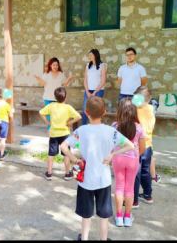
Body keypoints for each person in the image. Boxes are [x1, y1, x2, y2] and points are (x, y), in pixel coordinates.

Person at [59, 96, 134, 241]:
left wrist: (74, 159)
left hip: (86, 179)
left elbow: (63, 146)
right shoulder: (110, 131)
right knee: (104, 215)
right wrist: (113, 154)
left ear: (86, 113)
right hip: (103, 180)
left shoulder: (81, 130)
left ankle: (84, 238)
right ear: (104, 112)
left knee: (86, 214)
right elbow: (130, 145)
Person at [111, 99, 146, 227]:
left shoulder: (115, 126)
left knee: (119, 187)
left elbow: (111, 143)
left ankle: (119, 216)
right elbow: (143, 147)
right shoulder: (139, 128)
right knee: (129, 189)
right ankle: (127, 217)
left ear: (120, 111)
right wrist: (136, 155)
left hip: (118, 159)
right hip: (133, 160)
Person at [39, 87, 82, 180]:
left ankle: (49, 173)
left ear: (55, 97)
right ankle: (67, 174)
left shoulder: (51, 105)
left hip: (54, 134)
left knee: (51, 154)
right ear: (65, 97)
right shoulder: (68, 107)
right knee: (66, 154)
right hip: (65, 134)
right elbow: (79, 116)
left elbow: (41, 112)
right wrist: (70, 123)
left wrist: (47, 122)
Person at [35, 57, 73, 130]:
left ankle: (58, 129)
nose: (55, 66)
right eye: (54, 65)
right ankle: (50, 130)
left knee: (58, 116)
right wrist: (38, 79)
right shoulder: (46, 74)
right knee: (49, 116)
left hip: (58, 98)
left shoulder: (61, 74)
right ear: (50, 65)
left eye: (57, 65)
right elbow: (43, 84)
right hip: (48, 98)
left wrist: (69, 78)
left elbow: (64, 84)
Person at [135, 86, 160, 184]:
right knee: (147, 165)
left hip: (138, 143)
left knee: (137, 169)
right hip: (148, 142)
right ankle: (148, 194)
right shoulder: (151, 108)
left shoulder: (136, 109)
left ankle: (135, 195)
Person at [82, 49, 107, 126]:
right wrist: (87, 91)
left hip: (98, 91)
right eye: (88, 55)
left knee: (96, 109)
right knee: (85, 109)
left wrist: (94, 92)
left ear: (95, 55)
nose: (89, 57)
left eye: (91, 55)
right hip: (88, 91)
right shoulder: (87, 66)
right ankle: (84, 126)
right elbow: (85, 79)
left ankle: (95, 126)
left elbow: (103, 81)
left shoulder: (102, 65)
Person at [0, 88, 13, 160]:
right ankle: (1, 154)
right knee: (3, 139)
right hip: (4, 122)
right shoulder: (7, 104)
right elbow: (11, 115)